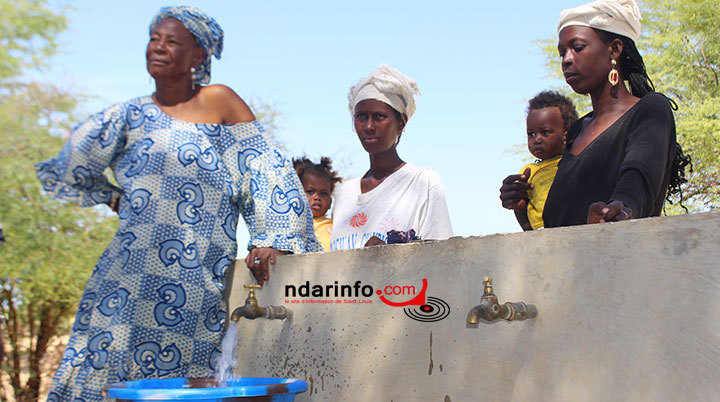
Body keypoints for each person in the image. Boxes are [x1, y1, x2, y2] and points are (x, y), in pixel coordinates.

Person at [36, 7, 320, 401]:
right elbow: (70, 166)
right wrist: (114, 196)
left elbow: (264, 171)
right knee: (108, 382)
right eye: (154, 39)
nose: (159, 47)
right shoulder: (128, 116)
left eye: (172, 41)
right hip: (123, 280)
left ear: (199, 56)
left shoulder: (221, 103)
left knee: (177, 386)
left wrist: (271, 237)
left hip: (190, 279)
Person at [500, 0, 689, 227]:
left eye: (577, 48)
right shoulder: (576, 131)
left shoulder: (650, 110)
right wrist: (521, 206)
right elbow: (552, 231)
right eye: (562, 53)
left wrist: (617, 212)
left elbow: (637, 181)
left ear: (615, 49)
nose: (566, 59)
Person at [330, 63, 453, 250]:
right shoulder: (345, 193)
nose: (369, 126)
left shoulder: (422, 182)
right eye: (361, 117)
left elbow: (440, 257)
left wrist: (390, 257)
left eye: (379, 116)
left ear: (401, 122)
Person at [509, 91, 578, 231]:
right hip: (541, 233)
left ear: (566, 135)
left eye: (545, 132)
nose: (537, 139)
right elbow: (521, 205)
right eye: (531, 134)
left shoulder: (575, 162)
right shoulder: (529, 172)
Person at [293, 156, 341, 251]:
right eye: (310, 192)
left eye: (324, 194)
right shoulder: (292, 226)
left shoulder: (335, 227)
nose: (317, 197)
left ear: (330, 201)